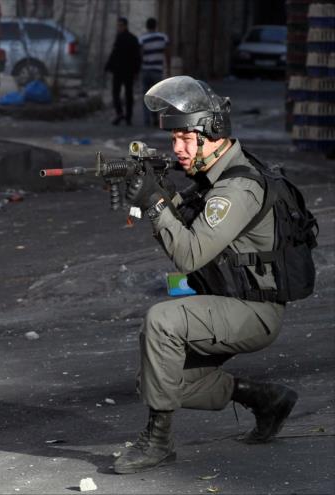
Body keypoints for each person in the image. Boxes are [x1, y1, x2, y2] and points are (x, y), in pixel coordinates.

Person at [114, 76, 299, 474]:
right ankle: (264, 398)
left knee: (161, 321)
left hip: (253, 310)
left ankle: (158, 443)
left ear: (214, 134)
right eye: (173, 139)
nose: (177, 149)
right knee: (157, 376)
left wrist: (153, 201)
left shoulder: (236, 189)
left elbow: (188, 254)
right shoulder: (211, 180)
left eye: (185, 137)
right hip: (229, 300)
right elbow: (179, 229)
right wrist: (156, 196)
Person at [104, 17, 142, 126]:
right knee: (125, 93)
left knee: (122, 93)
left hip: (122, 71)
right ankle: (125, 115)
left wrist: (108, 66)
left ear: (125, 26)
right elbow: (136, 57)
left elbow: (135, 56)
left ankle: (122, 114)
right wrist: (136, 71)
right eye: (118, 25)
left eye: (120, 25)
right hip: (125, 71)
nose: (119, 27)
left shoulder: (126, 38)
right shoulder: (130, 38)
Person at [138, 18, 171, 127]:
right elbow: (167, 53)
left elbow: (140, 55)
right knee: (156, 96)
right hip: (157, 70)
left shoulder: (143, 39)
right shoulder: (163, 37)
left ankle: (147, 119)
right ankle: (155, 118)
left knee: (146, 95)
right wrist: (168, 66)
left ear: (147, 26)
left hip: (146, 70)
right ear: (156, 25)